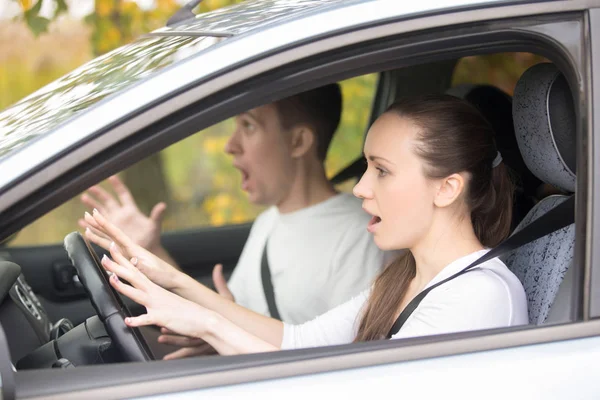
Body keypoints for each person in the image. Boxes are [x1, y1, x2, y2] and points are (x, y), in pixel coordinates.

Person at [84, 94, 528, 356]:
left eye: (382, 171)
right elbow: (296, 342)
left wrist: (206, 325)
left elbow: (345, 391)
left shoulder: (477, 297)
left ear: (447, 188)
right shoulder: (404, 279)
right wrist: (172, 279)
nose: (360, 188)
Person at [80, 84, 388, 325]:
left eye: (249, 126)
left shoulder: (361, 236)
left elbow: (344, 361)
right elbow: (227, 315)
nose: (230, 145)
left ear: (298, 142)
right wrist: (150, 251)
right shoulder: (268, 223)